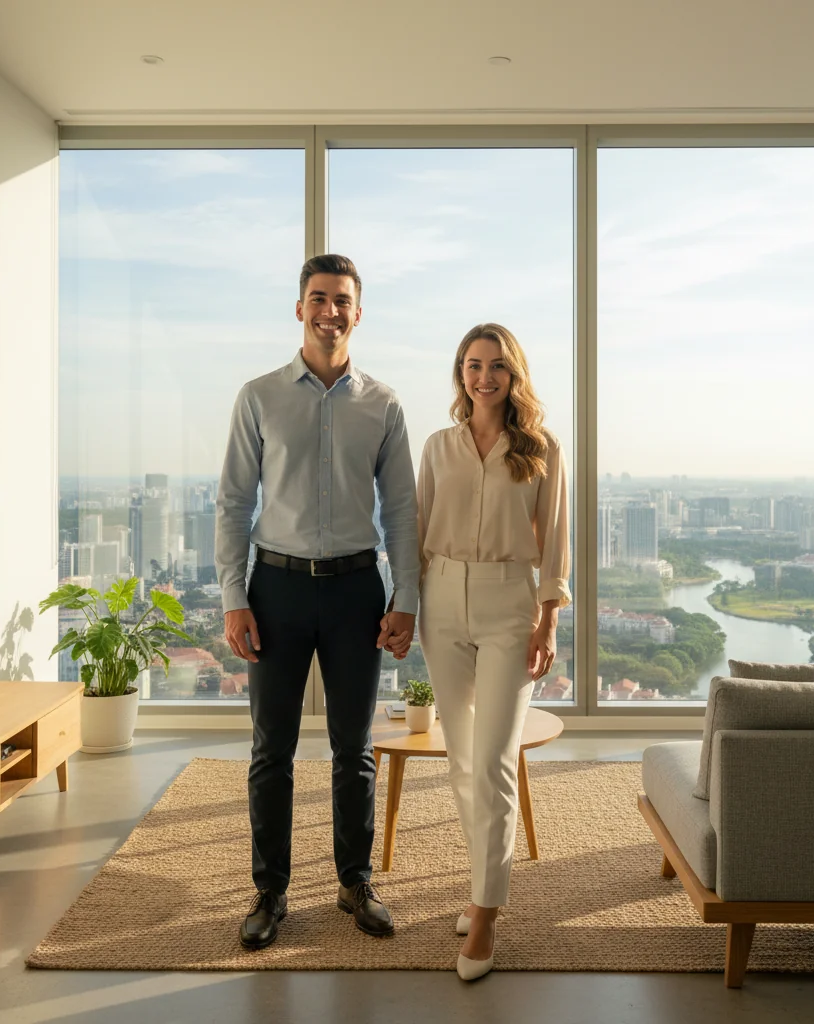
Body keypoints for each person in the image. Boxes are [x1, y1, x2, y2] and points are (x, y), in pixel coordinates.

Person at [215, 254, 419, 951]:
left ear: (359, 314)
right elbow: (234, 502)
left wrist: (406, 598)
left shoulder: (384, 404)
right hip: (274, 589)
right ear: (299, 308)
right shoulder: (259, 396)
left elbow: (402, 512)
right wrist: (234, 598)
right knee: (271, 750)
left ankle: (354, 880)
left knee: (353, 749)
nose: (330, 311)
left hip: (358, 590)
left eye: (342, 301)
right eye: (318, 298)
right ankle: (269, 891)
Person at [416, 323, 571, 981]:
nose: (484, 377)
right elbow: (416, 529)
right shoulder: (438, 446)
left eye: (496, 367)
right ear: (460, 372)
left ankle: (485, 914)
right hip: (442, 599)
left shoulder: (539, 449)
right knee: (460, 761)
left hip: (511, 605)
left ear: (514, 376)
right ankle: (483, 884)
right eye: (473, 365)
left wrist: (550, 620)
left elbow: (557, 537)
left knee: (494, 762)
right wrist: (404, 604)